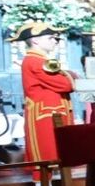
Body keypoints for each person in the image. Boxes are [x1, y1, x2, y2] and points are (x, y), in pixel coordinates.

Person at [14, 21, 75, 165]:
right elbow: (64, 84)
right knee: (45, 155)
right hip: (45, 113)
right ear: (35, 40)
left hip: (53, 112)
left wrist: (67, 75)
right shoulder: (34, 61)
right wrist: (69, 76)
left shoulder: (40, 60)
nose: (55, 41)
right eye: (50, 38)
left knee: (57, 153)